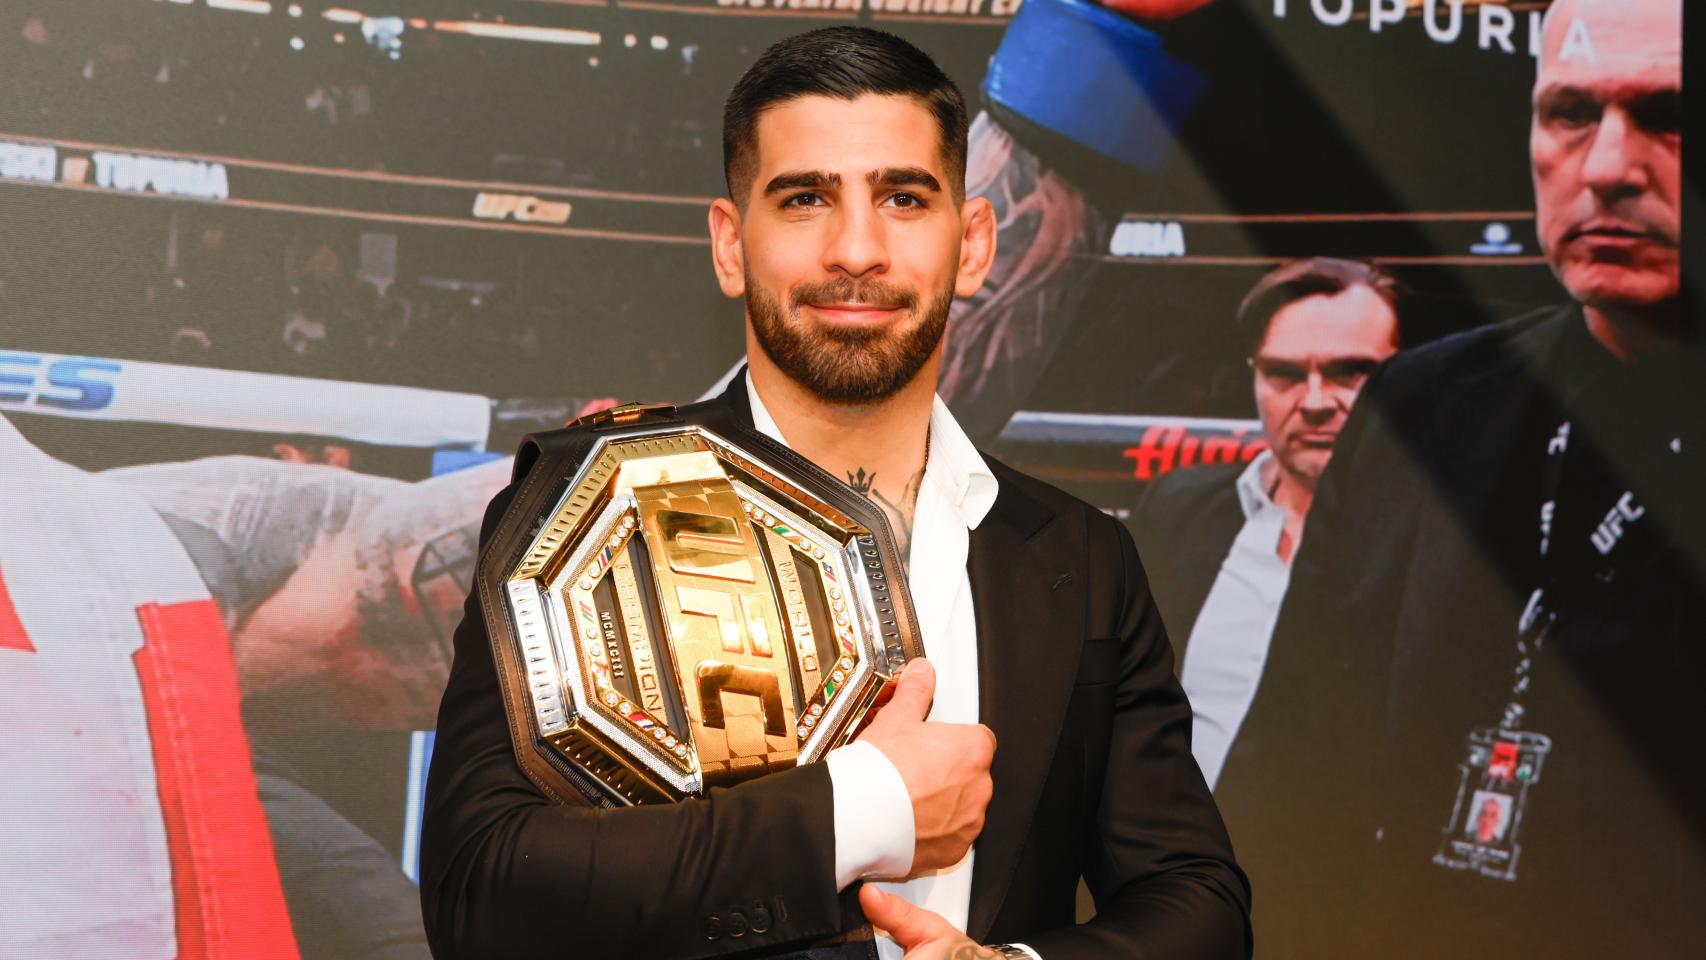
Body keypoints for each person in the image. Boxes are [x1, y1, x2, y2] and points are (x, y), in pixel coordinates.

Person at [420, 26, 1250, 960]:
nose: (857, 248)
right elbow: (479, 894)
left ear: (973, 243)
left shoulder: (1080, 555)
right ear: (731, 245)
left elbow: (1199, 903)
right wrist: (865, 810)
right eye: (805, 198)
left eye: (903, 197)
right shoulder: (587, 507)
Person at [1215, 0, 1701, 954]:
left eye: (1669, 116)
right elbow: (1297, 769)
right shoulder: (1425, 404)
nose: (1606, 167)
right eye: (1569, 112)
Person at [1129, 258, 1399, 788]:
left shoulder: (1437, 546)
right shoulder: (1179, 508)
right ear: (1253, 374)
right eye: (1286, 374)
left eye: (1350, 372)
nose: (1316, 402)